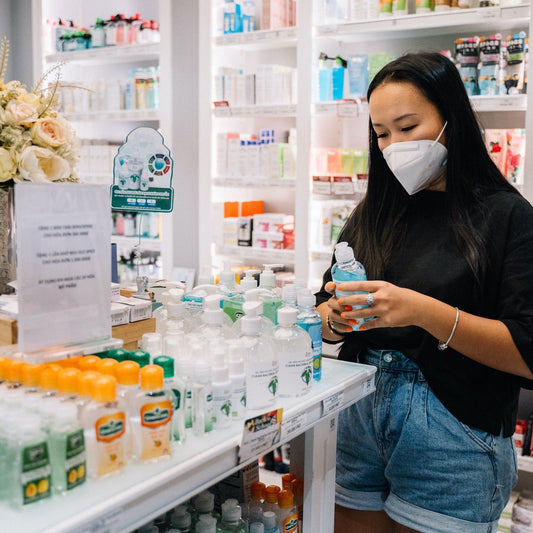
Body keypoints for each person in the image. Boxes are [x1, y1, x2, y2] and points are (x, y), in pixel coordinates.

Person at [315, 51, 533, 533]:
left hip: (453, 432)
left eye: (408, 127)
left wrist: (422, 312)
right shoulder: (374, 212)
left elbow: (527, 352)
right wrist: (333, 317)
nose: (393, 145)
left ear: (450, 120)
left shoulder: (508, 218)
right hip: (358, 412)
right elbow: (325, 308)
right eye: (381, 133)